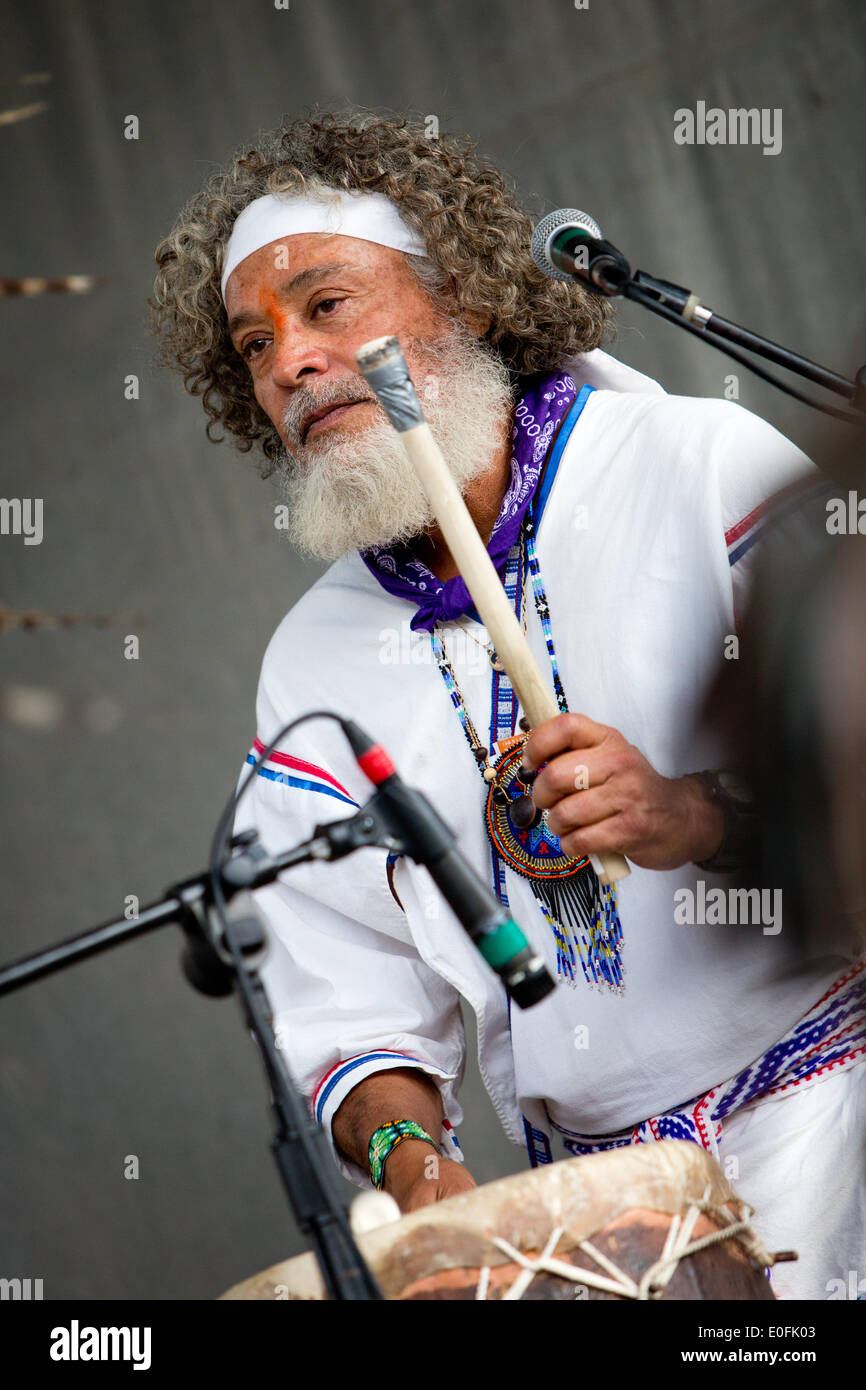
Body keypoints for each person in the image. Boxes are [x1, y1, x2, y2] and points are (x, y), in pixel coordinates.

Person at [152, 112, 865, 1299]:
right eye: (254, 345)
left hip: (831, 1122)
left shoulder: (691, 465)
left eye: (327, 306)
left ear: (467, 299)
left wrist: (694, 815)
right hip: (596, 1219)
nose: (287, 363)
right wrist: (405, 1150)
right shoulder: (310, 666)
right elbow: (345, 987)